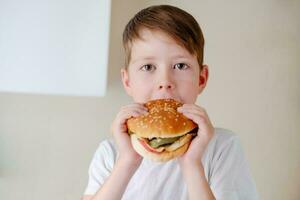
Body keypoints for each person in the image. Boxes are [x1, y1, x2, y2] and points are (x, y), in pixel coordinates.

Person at [81, 5, 258, 200]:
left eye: (180, 66)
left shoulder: (222, 148)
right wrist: (126, 162)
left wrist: (192, 164)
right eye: (148, 67)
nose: (165, 82)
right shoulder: (112, 153)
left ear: (201, 79)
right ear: (127, 81)